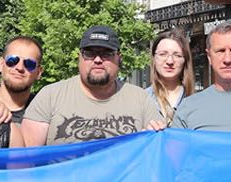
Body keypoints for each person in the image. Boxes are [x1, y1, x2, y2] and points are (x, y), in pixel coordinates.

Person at [20, 26, 163, 146]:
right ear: (79, 58)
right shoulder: (50, 96)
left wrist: (155, 134)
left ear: (119, 58)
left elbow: (161, 151)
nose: (98, 60)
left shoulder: (140, 99)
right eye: (89, 53)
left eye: (107, 53)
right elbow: (25, 159)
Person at [0, 36, 43, 124]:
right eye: (12, 60)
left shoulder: (43, 113)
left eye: (29, 64)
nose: (20, 68)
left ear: (39, 73)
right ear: (1, 64)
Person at [147, 29, 193, 125]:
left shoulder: (197, 101)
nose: (170, 61)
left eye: (177, 55)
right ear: (154, 58)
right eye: (163, 54)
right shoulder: (142, 99)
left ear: (185, 60)